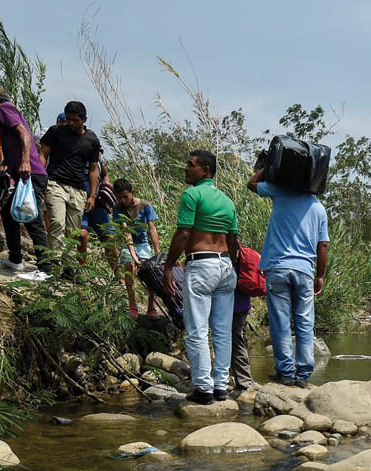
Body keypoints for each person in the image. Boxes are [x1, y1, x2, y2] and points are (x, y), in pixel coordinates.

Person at [163, 151, 238, 405]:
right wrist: (229, 266)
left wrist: (169, 267)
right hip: (226, 266)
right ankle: (221, 387)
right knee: (222, 332)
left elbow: (183, 234)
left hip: (201, 265)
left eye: (190, 165)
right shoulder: (228, 201)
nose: (185, 169)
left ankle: (203, 389)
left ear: (205, 171)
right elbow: (232, 242)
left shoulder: (192, 194)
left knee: (197, 330)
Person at [247, 166, 329, 388]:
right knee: (304, 322)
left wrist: (269, 166)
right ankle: (303, 375)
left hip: (278, 268)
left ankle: (285, 372)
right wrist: (320, 275)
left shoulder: (279, 191)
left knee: (280, 322)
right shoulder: (318, 208)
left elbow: (251, 184)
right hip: (304, 270)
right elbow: (322, 245)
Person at [0, 91, 51, 280]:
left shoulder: (4, 108)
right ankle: (15, 259)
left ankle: (46, 269)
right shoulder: (3, 114)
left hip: (31, 173)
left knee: (33, 219)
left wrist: (24, 161)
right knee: (8, 212)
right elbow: (17, 139)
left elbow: (24, 133)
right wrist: (6, 162)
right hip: (28, 172)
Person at [39, 101, 101, 269]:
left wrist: (92, 195)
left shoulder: (92, 139)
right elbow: (43, 154)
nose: (71, 123)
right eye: (68, 119)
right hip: (55, 183)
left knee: (73, 232)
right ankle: (54, 262)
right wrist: (40, 179)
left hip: (78, 190)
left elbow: (94, 169)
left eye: (75, 120)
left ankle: (68, 267)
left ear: (84, 119)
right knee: (57, 223)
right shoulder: (56, 131)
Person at [112, 178, 160, 318]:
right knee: (128, 265)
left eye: (126, 197)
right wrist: (133, 254)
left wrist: (157, 253)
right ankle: (132, 304)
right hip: (128, 244)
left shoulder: (145, 206)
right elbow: (126, 231)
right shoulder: (118, 208)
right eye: (119, 197)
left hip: (143, 243)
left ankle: (152, 306)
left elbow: (152, 229)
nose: (123, 200)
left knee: (149, 270)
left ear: (132, 192)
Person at [77, 161, 116, 267]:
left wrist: (105, 188)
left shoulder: (98, 156)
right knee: (82, 235)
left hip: (97, 204)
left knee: (109, 237)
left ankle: (118, 274)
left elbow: (104, 174)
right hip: (78, 202)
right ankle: (82, 269)